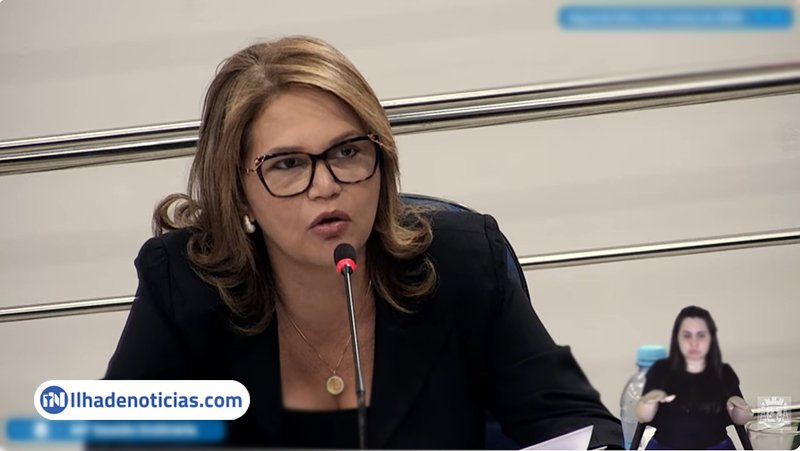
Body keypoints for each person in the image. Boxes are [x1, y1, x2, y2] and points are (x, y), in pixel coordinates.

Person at [104, 35, 623, 449]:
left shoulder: (462, 265)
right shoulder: (186, 288)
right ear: (237, 191)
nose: (326, 186)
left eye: (347, 152)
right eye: (287, 164)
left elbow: (575, 421)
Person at [635, 306, 752, 449]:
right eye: (687, 335)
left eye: (701, 335)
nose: (694, 343)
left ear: (711, 338)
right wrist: (649, 401)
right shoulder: (661, 371)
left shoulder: (723, 372)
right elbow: (642, 417)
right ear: (676, 338)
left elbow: (740, 419)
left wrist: (739, 408)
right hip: (666, 446)